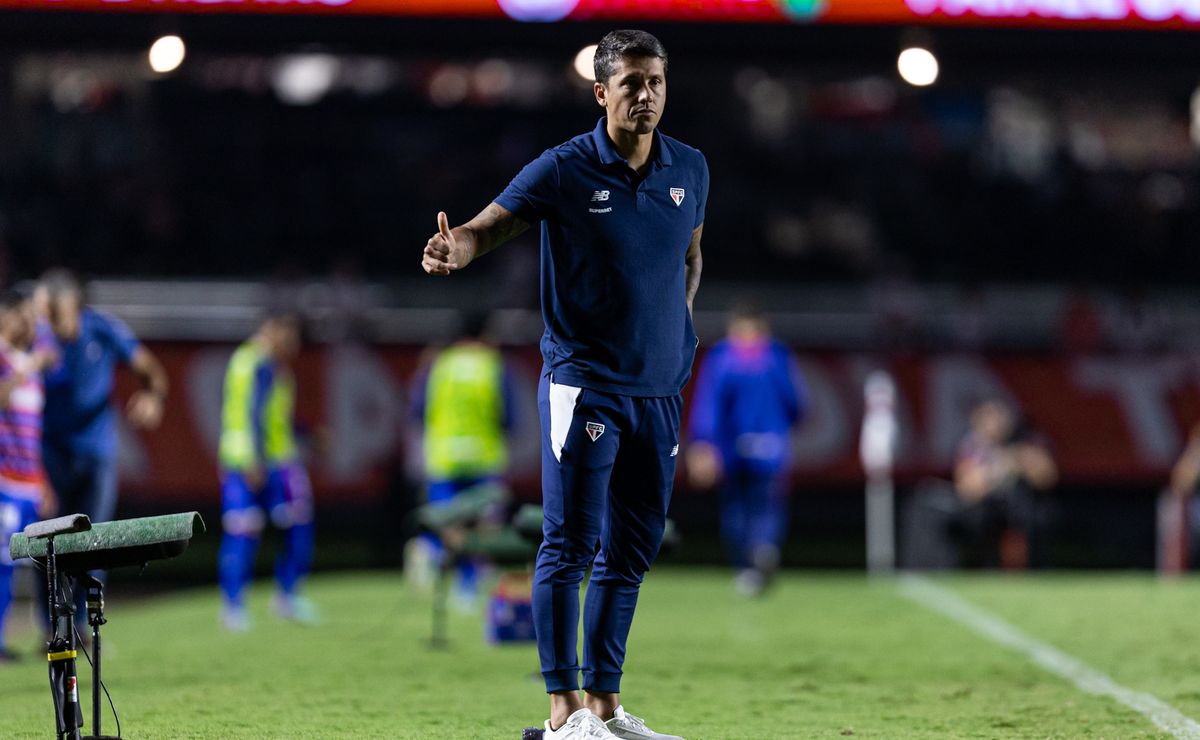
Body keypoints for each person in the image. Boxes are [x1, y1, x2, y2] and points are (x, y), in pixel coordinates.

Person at [421, 29, 705, 740]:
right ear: (602, 92)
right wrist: (456, 247)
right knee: (570, 545)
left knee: (632, 552)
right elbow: (488, 227)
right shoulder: (564, 168)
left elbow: (691, 257)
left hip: (659, 390)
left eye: (656, 82)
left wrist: (675, 329)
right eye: (632, 82)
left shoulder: (692, 168)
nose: (646, 94)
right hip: (586, 384)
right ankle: (561, 712)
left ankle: (605, 709)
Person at [34, 269, 168, 628]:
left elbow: (150, 369)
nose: (49, 314)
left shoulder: (102, 329)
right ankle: (51, 628)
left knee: (94, 540)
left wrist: (153, 396)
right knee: (45, 540)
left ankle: (85, 624)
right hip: (50, 452)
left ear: (72, 302)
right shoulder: (39, 339)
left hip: (96, 449)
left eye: (53, 305)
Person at [685, 305, 806, 596]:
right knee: (766, 506)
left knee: (737, 507)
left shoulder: (723, 357)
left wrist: (703, 442)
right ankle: (763, 549)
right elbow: (796, 402)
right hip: (771, 445)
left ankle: (746, 566)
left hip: (733, 446)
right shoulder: (776, 356)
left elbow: (709, 404)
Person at [216, 312, 316, 631]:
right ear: (274, 332)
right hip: (257, 461)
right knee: (260, 528)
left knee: (261, 527)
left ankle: (251, 603)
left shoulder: (255, 361)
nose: (295, 346)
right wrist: (255, 460)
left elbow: (272, 417)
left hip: (257, 457)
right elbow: (253, 413)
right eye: (291, 337)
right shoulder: (259, 362)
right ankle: (263, 600)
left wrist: (307, 434)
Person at [408, 312, 516, 603]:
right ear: (486, 335)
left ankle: (429, 549)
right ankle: (467, 586)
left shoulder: (439, 364)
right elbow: (509, 416)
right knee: (484, 526)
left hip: (445, 458)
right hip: (483, 457)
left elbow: (417, 410)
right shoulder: (493, 366)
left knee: (446, 522)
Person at [0, 290, 56, 661]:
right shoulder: (10, 364)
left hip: (29, 482)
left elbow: (32, 435)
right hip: (4, 481)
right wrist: (24, 369)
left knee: (39, 562)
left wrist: (43, 480)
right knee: (3, 562)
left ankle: (49, 635)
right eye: (25, 316)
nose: (31, 324)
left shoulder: (28, 366)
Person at [950, 399, 1057, 568]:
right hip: (985, 513)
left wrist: (1024, 460)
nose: (995, 424)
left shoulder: (1023, 440)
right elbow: (967, 489)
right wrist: (999, 467)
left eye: (999, 418)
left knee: (1028, 509)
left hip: (1018, 512)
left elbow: (1047, 477)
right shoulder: (972, 445)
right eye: (988, 419)